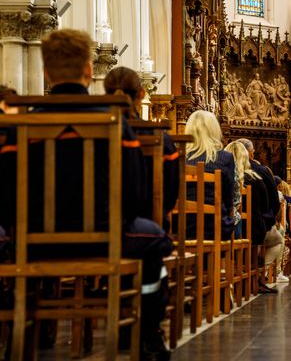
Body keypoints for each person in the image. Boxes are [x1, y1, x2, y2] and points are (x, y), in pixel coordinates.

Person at [0, 29, 172, 360]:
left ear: (47, 71)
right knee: (158, 241)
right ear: (90, 70)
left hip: (29, 241)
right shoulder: (113, 124)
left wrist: (23, 231)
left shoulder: (20, 127)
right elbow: (137, 193)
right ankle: (148, 335)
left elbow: (6, 196)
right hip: (107, 237)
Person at [104, 67, 179, 222]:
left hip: (98, 226)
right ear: (142, 94)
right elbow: (170, 196)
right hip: (143, 224)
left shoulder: (94, 132)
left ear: (105, 95)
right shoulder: (159, 137)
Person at [236, 138, 284, 292]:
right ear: (251, 153)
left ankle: (235, 274)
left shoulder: (226, 170)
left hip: (223, 228)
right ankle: (257, 275)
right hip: (254, 229)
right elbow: (272, 203)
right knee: (277, 239)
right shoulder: (260, 172)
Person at [184, 110, 237, 242]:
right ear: (214, 131)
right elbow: (229, 197)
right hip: (214, 227)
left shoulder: (179, 157)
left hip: (181, 227)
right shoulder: (225, 158)